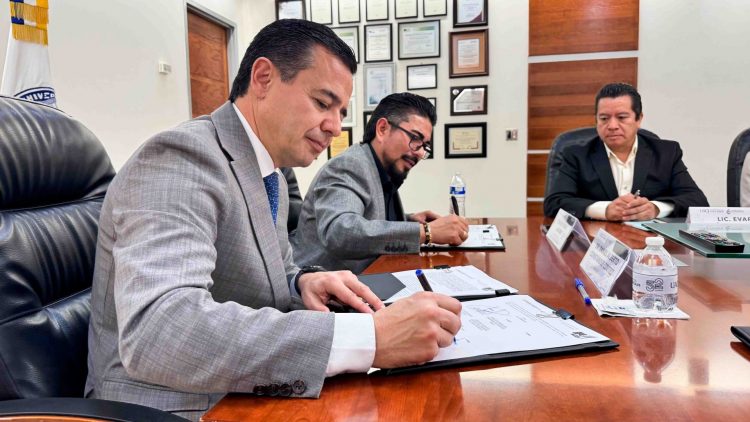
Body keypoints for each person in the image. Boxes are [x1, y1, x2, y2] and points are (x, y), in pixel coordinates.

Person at [85, 20, 461, 421]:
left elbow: (273, 274)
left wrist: (302, 283)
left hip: (242, 388)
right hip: (167, 404)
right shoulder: (181, 157)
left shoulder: (272, 175)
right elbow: (160, 331)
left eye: (340, 112)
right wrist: (369, 338)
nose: (335, 127)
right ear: (263, 78)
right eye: (323, 103)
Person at [291, 92, 469, 274]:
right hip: (319, 284)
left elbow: (365, 216)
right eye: (415, 138)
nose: (420, 152)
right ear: (383, 129)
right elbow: (340, 232)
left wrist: (407, 220)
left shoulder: (382, 168)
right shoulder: (349, 165)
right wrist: (426, 231)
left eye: (425, 146)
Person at [543, 82, 708, 221]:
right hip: (594, 242)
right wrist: (604, 210)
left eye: (622, 117)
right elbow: (554, 204)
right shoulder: (576, 155)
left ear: (639, 119)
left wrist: (656, 208)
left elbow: (697, 201)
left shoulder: (666, 153)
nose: (612, 126)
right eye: (604, 118)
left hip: (649, 243)